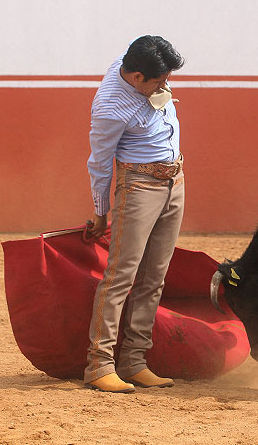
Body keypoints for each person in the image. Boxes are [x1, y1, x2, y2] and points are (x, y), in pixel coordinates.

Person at [84, 35, 186, 393]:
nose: (165, 87)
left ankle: (134, 361)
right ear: (137, 77)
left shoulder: (136, 63)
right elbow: (99, 161)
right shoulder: (110, 107)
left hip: (175, 181)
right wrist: (100, 211)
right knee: (120, 276)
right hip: (139, 187)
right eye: (159, 81)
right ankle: (99, 365)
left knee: (154, 277)